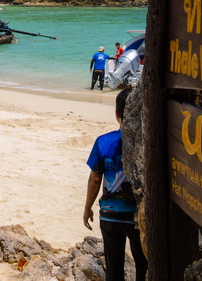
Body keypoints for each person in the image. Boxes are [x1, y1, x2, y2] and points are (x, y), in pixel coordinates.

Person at [83, 88, 147, 281]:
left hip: (110, 214)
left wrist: (87, 208)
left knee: (114, 266)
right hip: (138, 216)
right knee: (143, 265)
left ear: (117, 113)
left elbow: (95, 180)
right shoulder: (146, 143)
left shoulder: (103, 142)